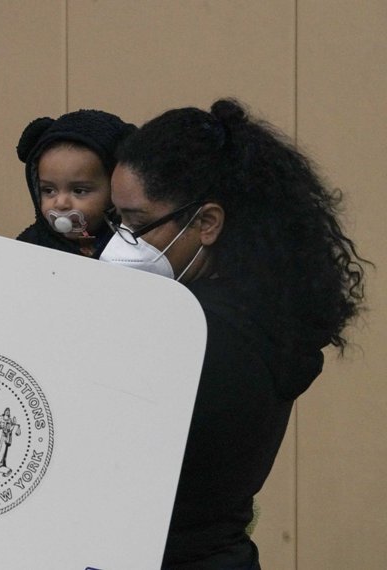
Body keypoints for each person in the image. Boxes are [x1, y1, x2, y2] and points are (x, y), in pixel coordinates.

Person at [101, 99, 368, 569]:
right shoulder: (266, 321)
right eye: (117, 220)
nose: (122, 239)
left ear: (206, 223)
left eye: (139, 224)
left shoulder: (196, 335)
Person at [16, 109, 136, 257]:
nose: (60, 203)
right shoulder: (30, 245)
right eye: (48, 190)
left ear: (116, 189)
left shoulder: (132, 249)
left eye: (79, 191)